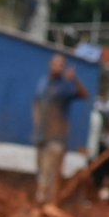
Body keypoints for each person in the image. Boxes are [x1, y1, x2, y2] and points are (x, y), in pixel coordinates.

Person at [32, 53, 88, 205]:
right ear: (50, 64)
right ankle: (42, 204)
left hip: (56, 139)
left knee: (49, 173)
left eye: (62, 65)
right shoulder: (43, 82)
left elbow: (84, 95)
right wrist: (37, 123)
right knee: (41, 171)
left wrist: (74, 80)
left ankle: (47, 205)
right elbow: (36, 103)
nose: (59, 67)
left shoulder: (65, 86)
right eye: (56, 64)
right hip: (41, 136)